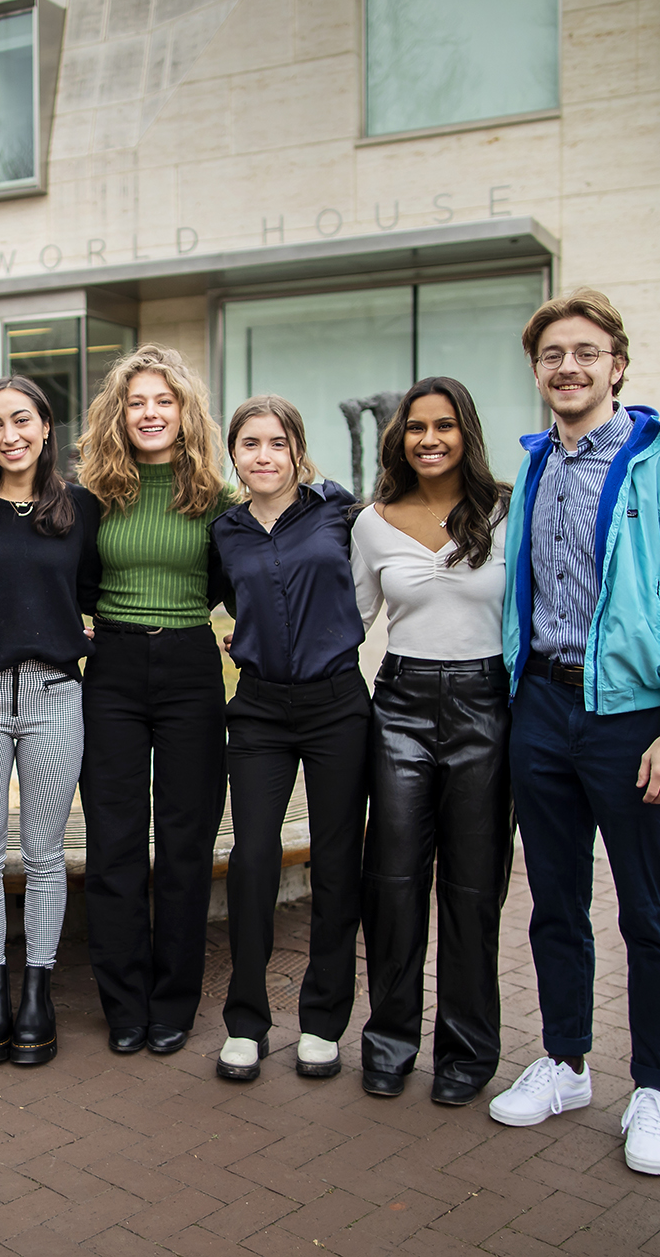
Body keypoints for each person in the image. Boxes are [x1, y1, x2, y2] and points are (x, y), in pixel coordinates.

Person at [486, 289, 660, 1178]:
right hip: (542, 710)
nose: (569, 367)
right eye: (553, 354)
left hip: (633, 718)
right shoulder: (533, 466)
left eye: (586, 352)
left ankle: (657, 1089)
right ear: (538, 371)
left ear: (617, 364)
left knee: (648, 911)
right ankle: (564, 1062)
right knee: (555, 902)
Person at [352, 377, 513, 1108]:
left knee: (474, 890)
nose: (429, 438)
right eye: (416, 427)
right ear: (399, 437)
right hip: (403, 706)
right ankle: (389, 1042)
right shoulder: (373, 522)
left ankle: (468, 1050)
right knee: (392, 885)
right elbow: (347, 621)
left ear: (465, 433)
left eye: (444, 425)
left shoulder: (508, 511)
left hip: (486, 707)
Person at [77, 345, 235, 1056]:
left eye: (162, 401)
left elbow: (245, 579)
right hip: (110, 667)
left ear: (183, 412)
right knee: (113, 845)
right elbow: (69, 580)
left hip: (189, 668)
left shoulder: (214, 497)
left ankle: (173, 1001)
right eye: (136, 401)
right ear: (119, 412)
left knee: (183, 844)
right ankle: (123, 1002)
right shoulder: (94, 496)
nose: (149, 413)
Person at [0, 377, 101, 1067]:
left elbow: (92, 590)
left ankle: (37, 990)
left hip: (55, 696)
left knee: (43, 854)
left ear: (44, 428)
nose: (9, 435)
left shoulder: (81, 509)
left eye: (21, 421)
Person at [209, 396, 367, 1083]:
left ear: (298, 449)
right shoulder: (225, 530)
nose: (264, 455)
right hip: (261, 710)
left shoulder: (343, 512)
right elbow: (214, 601)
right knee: (251, 861)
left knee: (336, 862)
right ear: (235, 454)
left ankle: (324, 1022)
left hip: (337, 703)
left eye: (277, 442)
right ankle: (246, 1021)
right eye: (250, 443)